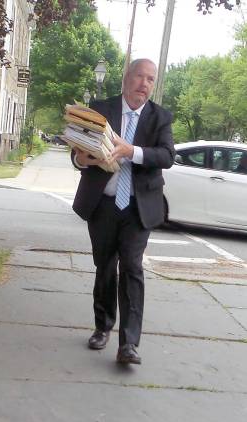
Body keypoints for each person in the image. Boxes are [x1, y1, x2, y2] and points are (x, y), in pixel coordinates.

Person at [71, 58, 175, 365]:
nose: (145, 83)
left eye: (151, 79)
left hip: (137, 208)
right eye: (140, 76)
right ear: (126, 78)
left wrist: (131, 150)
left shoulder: (160, 118)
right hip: (103, 204)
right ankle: (102, 327)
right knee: (104, 267)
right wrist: (82, 160)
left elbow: (167, 156)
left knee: (131, 267)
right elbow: (77, 153)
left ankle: (129, 344)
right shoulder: (101, 109)